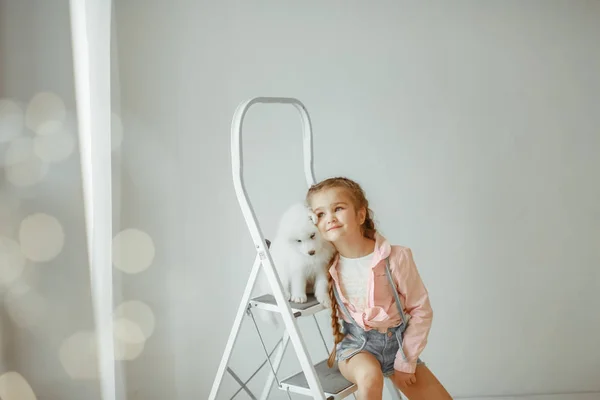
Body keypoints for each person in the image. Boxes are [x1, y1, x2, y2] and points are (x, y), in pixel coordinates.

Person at [306, 177, 452, 400]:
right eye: (320, 214)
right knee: (370, 376)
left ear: (361, 215)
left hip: (399, 347)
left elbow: (420, 310)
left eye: (338, 208)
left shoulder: (396, 257)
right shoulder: (324, 265)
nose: (330, 218)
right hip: (356, 349)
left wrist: (405, 361)